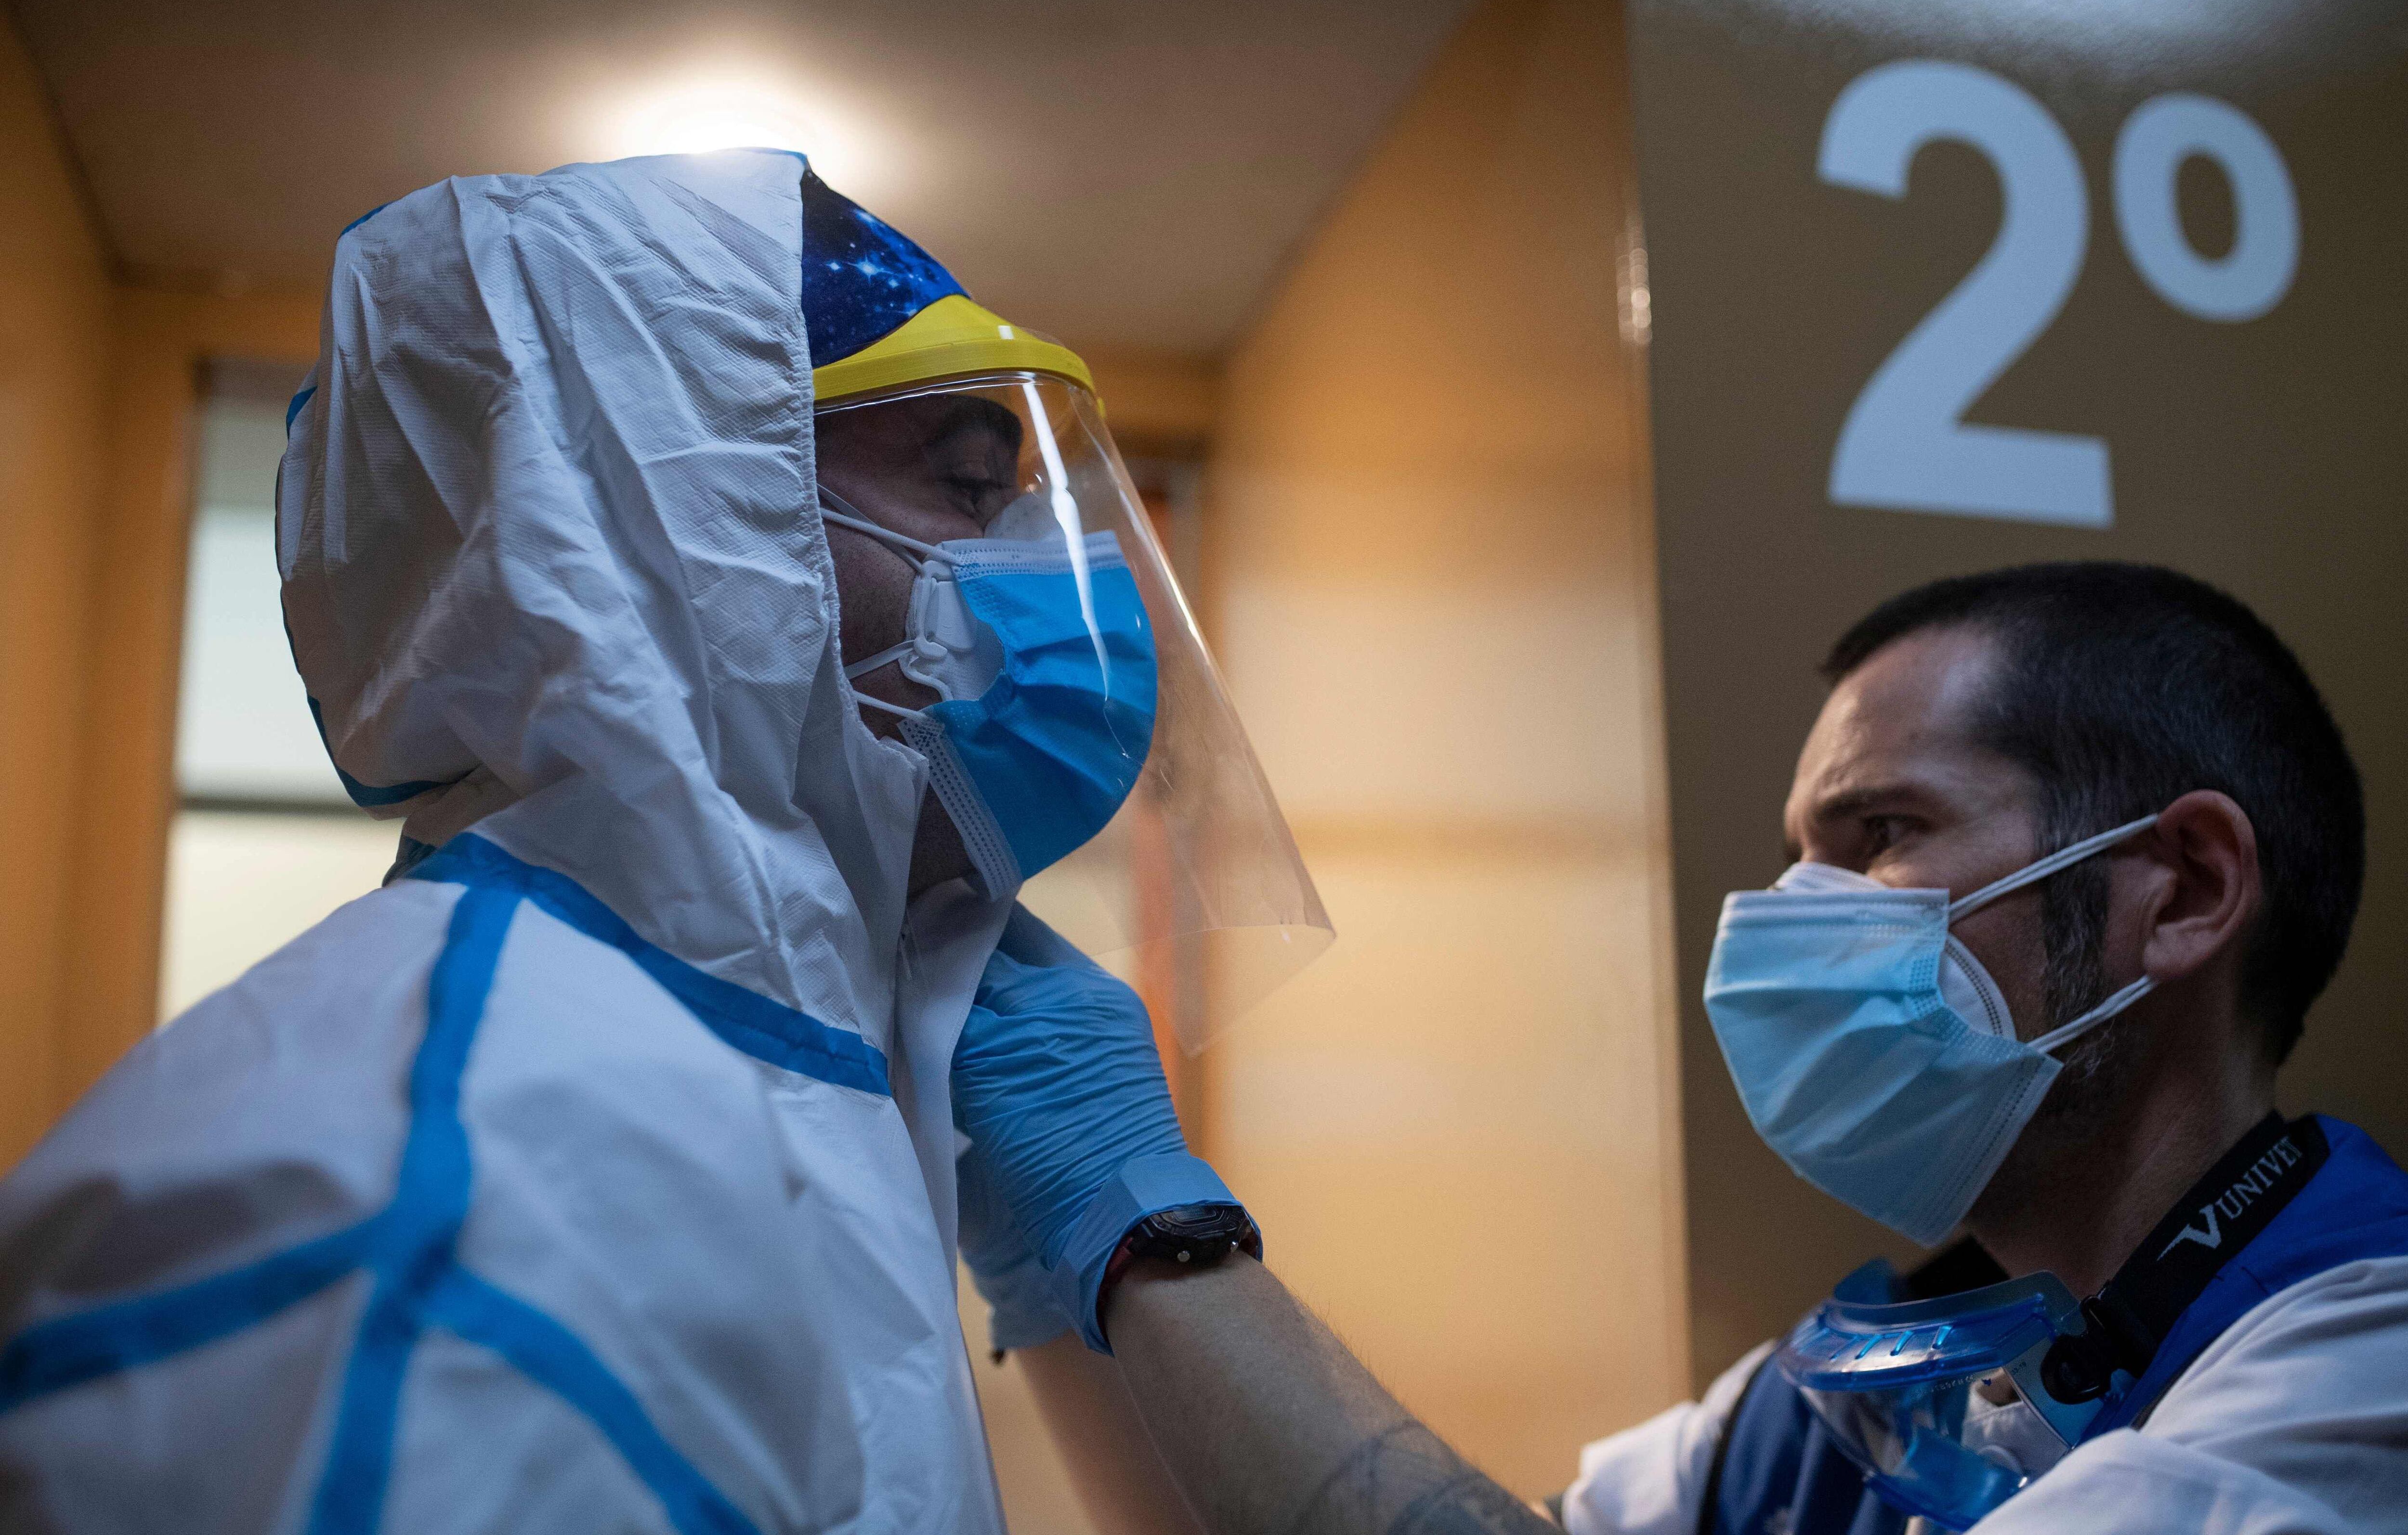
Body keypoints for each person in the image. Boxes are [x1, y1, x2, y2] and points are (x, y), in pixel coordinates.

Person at [0, 149, 1313, 1531]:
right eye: (973, 488)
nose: (1050, 570)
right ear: (698, 526)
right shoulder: (470, 1179)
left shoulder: (748, 1083)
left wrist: (1105, 1260)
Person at [951, 563, 2408, 1534]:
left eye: (1881, 834)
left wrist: (1150, 1215)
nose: (1786, 916)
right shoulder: (1828, 1412)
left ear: (2191, 890)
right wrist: (1059, 1273)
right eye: (1795, 857)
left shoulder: (2359, 1373)